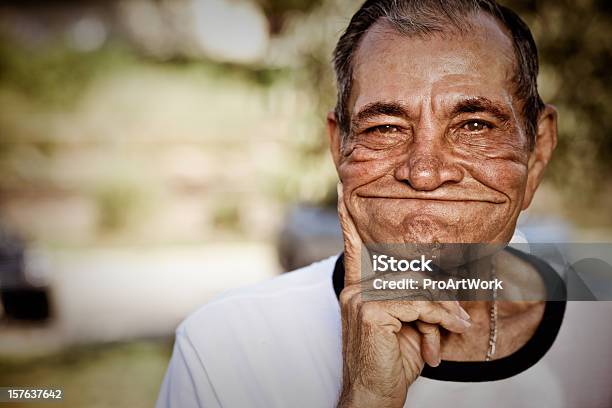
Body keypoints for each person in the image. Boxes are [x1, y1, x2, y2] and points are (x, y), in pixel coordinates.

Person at [156, 1, 612, 406]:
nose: (426, 173)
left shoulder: (602, 335)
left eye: (474, 125)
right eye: (385, 129)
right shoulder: (225, 348)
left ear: (537, 152)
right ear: (340, 149)